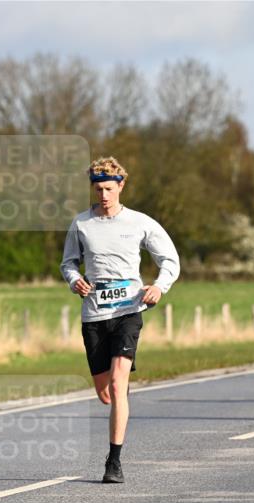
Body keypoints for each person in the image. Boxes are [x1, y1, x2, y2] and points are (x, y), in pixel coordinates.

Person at [60, 157, 180, 483]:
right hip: (94, 316)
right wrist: (75, 281)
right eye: (98, 189)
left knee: (117, 383)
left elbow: (170, 259)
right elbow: (68, 264)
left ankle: (113, 462)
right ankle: (118, 400)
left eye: (109, 189)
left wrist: (158, 286)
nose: (103, 195)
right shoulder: (81, 224)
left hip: (129, 311)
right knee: (105, 393)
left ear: (121, 187)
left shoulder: (141, 223)